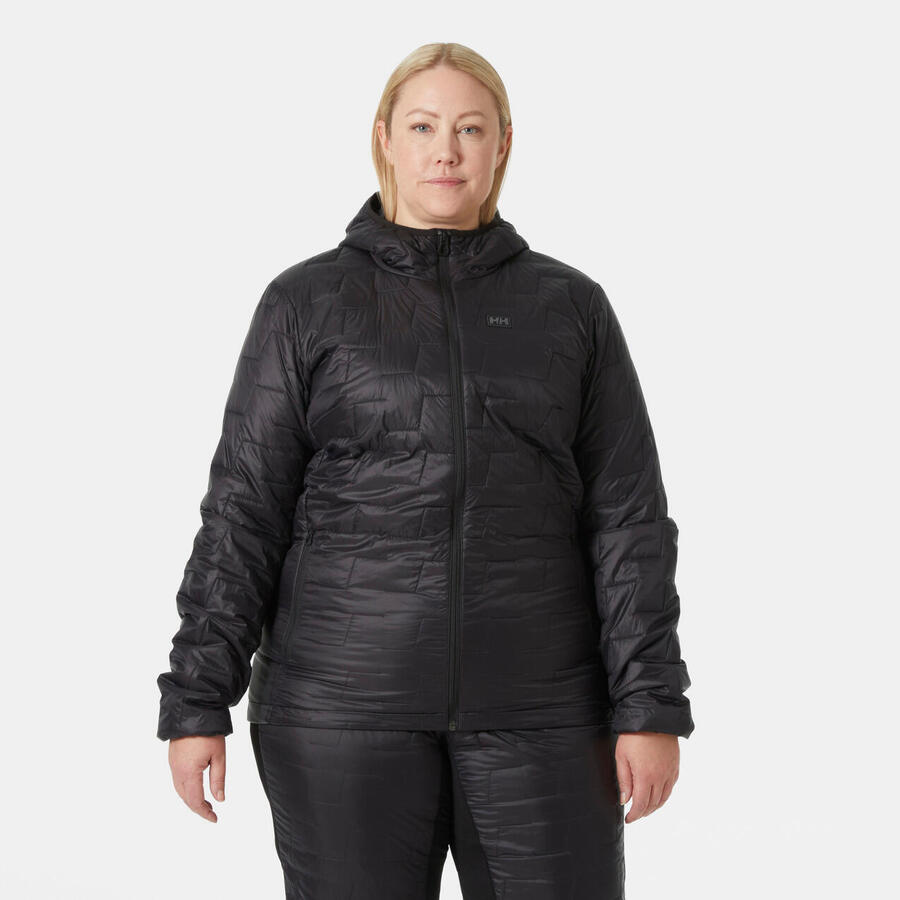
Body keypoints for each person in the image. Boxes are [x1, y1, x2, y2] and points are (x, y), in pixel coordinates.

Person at [157, 41, 695, 899]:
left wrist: (650, 704)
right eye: (423, 127)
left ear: (503, 145)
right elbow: (244, 512)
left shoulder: (571, 308)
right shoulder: (305, 303)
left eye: (470, 129)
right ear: (385, 138)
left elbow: (627, 522)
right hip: (340, 714)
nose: (446, 150)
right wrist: (196, 699)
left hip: (545, 714)